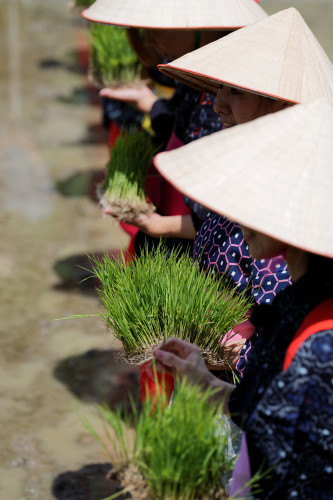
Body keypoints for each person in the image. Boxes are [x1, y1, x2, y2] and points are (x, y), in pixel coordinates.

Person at [153, 97, 333, 498]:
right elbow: (271, 412)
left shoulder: (321, 344)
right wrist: (203, 382)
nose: (236, 212)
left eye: (255, 196)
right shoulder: (293, 309)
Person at [153, 6, 333, 372]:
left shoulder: (296, 207)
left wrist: (235, 354)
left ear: (279, 104)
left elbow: (283, 339)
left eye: (234, 91)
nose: (218, 103)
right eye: (219, 88)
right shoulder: (243, 172)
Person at [83, 0, 268, 256]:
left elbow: (231, 220)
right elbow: (185, 132)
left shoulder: (237, 104)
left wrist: (160, 226)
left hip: (206, 251)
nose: (147, 39)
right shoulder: (197, 77)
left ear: (195, 25)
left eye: (157, 27)